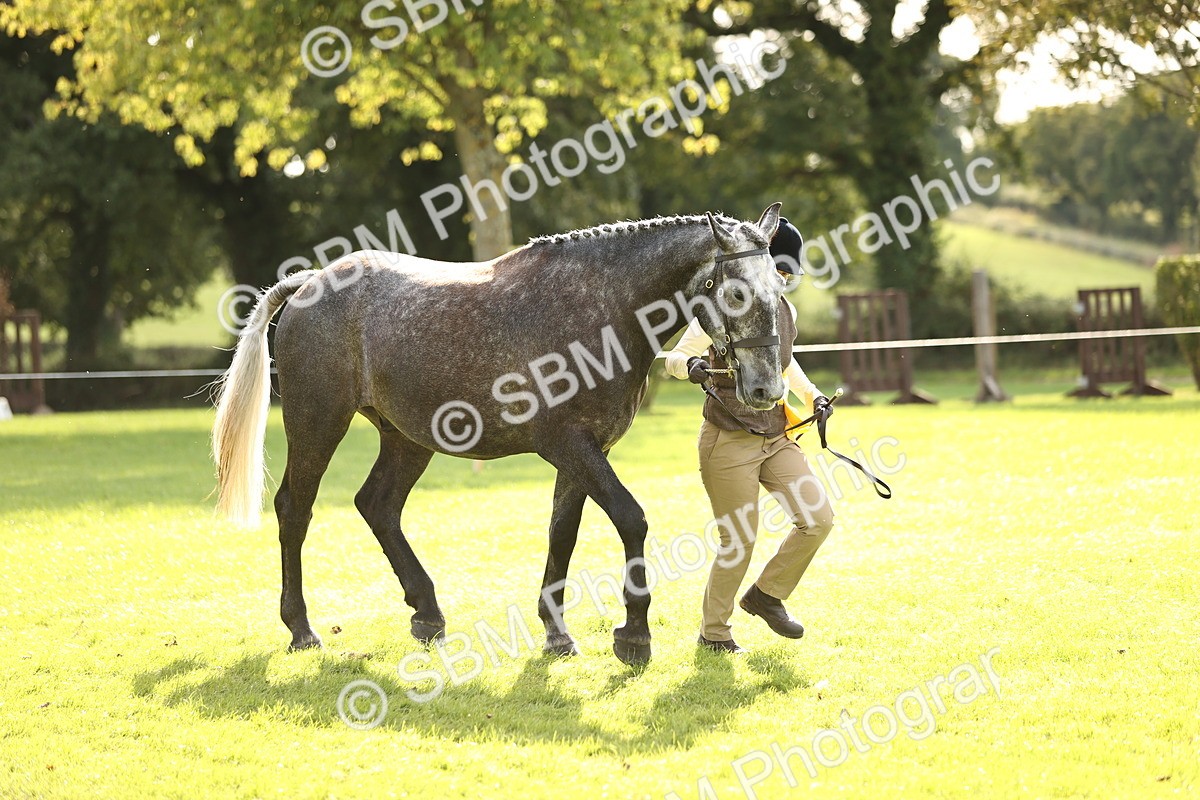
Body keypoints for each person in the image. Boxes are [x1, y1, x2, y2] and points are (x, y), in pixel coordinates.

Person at [665, 217, 836, 654]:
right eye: (779, 271)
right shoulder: (722, 305)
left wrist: (813, 396)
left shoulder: (785, 312)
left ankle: (766, 595)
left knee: (818, 519)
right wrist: (692, 368)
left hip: (776, 434)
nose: (783, 280)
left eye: (787, 274)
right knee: (739, 540)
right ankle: (714, 633)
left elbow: (784, 364)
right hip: (728, 439)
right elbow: (675, 357)